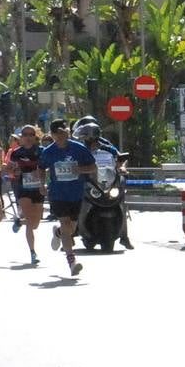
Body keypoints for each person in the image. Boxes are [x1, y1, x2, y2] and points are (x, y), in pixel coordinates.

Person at [37, 118, 97, 276]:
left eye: (65, 133)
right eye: (59, 133)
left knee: (71, 228)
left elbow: (93, 166)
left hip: (75, 193)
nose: (62, 136)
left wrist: (80, 170)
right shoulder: (48, 152)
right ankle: (72, 262)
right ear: (53, 134)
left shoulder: (79, 149)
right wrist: (42, 184)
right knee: (65, 224)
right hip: (58, 194)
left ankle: (57, 233)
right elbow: (41, 168)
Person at [74, 118, 133, 249]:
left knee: (122, 203)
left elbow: (119, 158)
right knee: (77, 203)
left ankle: (124, 237)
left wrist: (122, 167)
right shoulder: (78, 147)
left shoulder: (106, 146)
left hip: (106, 181)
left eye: (85, 133)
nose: (83, 136)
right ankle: (72, 232)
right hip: (88, 181)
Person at [7, 124, 44, 264]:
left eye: (31, 134)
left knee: (35, 224)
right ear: (21, 138)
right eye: (25, 135)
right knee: (30, 222)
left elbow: (48, 168)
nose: (28, 137)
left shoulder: (42, 151)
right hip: (23, 188)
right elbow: (8, 169)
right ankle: (33, 253)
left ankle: (19, 221)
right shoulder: (16, 153)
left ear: (36, 137)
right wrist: (13, 171)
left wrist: (42, 176)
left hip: (38, 188)